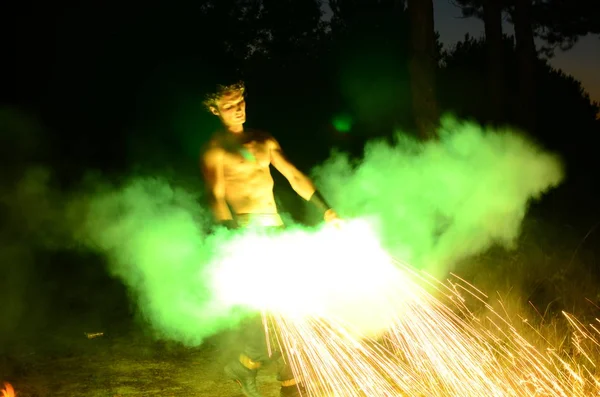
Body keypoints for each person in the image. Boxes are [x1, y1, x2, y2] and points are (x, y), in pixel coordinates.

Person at [200, 81, 340, 397]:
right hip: (246, 235)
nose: (238, 108)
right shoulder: (216, 149)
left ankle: (288, 384)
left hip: (276, 232)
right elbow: (216, 197)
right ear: (215, 110)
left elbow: (294, 176)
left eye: (240, 101)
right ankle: (246, 365)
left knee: (291, 311)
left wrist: (326, 210)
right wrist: (230, 238)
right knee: (262, 318)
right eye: (229, 105)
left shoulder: (264, 140)